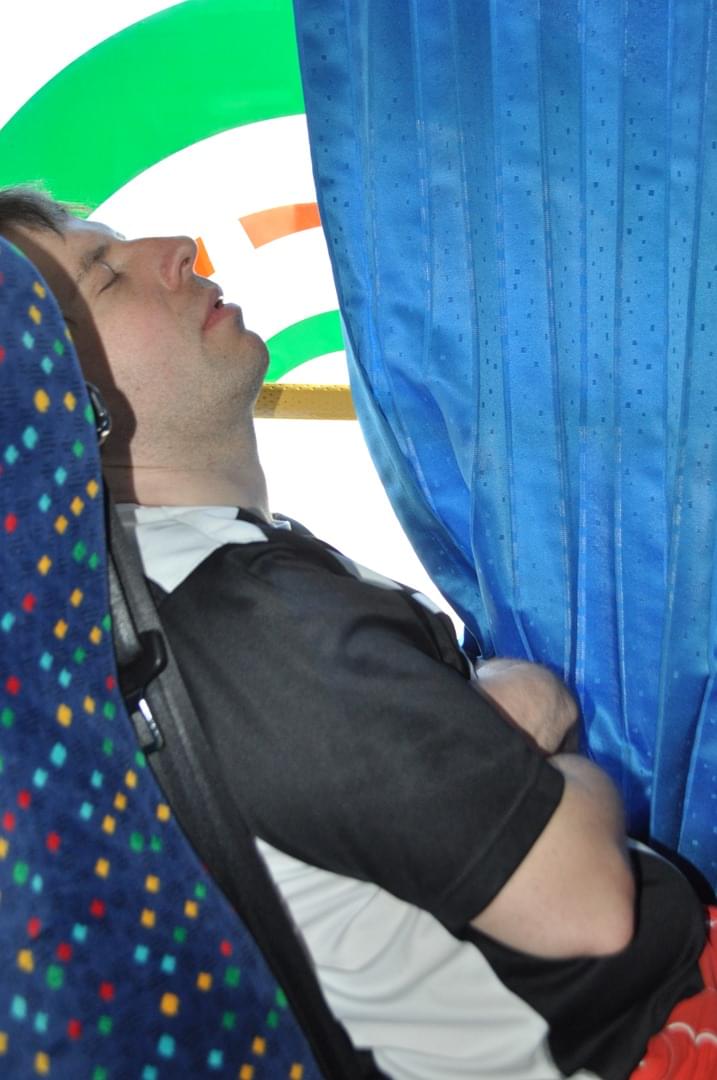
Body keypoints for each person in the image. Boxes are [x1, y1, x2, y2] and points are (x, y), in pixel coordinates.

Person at [1, 185, 715, 1080]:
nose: (177, 245)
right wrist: (530, 709)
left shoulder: (174, 585)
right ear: (51, 399)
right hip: (641, 1040)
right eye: (104, 275)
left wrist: (477, 719)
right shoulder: (243, 612)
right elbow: (581, 907)